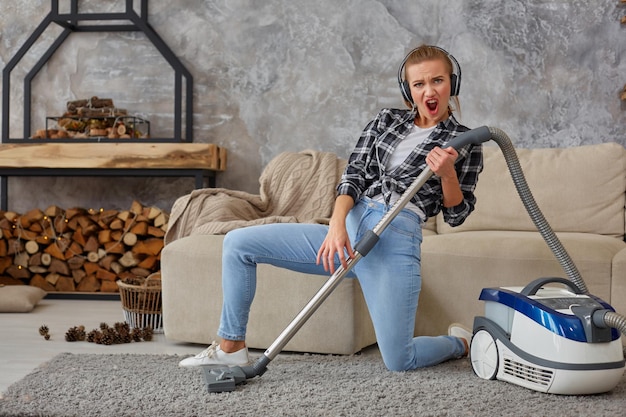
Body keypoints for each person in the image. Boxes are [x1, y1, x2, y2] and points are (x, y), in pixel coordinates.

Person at [179, 44, 483, 371]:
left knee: (399, 360)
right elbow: (354, 174)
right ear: (407, 89)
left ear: (453, 83)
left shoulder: (464, 141)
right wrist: (337, 226)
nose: (428, 91)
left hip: (394, 240)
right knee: (238, 244)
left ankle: (460, 342)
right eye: (418, 84)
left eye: (437, 80)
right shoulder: (387, 121)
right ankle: (231, 347)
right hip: (347, 232)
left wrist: (447, 174)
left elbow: (456, 214)